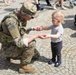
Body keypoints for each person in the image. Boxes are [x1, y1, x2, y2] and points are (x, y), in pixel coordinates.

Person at [0, 1, 44, 73]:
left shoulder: (20, 15)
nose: (32, 18)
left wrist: (33, 28)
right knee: (32, 43)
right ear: (24, 14)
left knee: (36, 55)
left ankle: (13, 55)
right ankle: (24, 67)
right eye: (32, 17)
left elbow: (20, 30)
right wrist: (36, 36)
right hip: (7, 48)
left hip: (12, 43)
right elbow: (20, 43)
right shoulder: (11, 22)